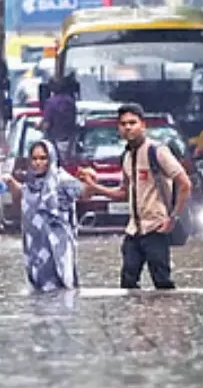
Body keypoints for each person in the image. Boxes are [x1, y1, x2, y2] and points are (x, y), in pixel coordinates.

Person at [82, 104, 192, 290]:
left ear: (143, 125)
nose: (128, 127)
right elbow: (123, 192)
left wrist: (173, 217)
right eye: (123, 124)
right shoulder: (126, 156)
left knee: (162, 281)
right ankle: (136, 317)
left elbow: (185, 184)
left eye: (132, 123)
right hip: (134, 230)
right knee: (128, 281)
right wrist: (95, 187)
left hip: (156, 228)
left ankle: (167, 317)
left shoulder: (157, 151)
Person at [4, 140, 103, 292]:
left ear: (51, 158)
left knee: (61, 285)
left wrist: (92, 180)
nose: (38, 163)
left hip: (58, 245)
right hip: (35, 246)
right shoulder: (30, 182)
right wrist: (10, 183)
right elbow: (22, 196)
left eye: (43, 158)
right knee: (38, 289)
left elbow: (84, 194)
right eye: (34, 159)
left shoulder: (62, 179)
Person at [42, 75, 78, 161]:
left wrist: (39, 126)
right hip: (71, 141)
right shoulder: (70, 101)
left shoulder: (50, 103)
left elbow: (46, 124)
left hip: (56, 141)